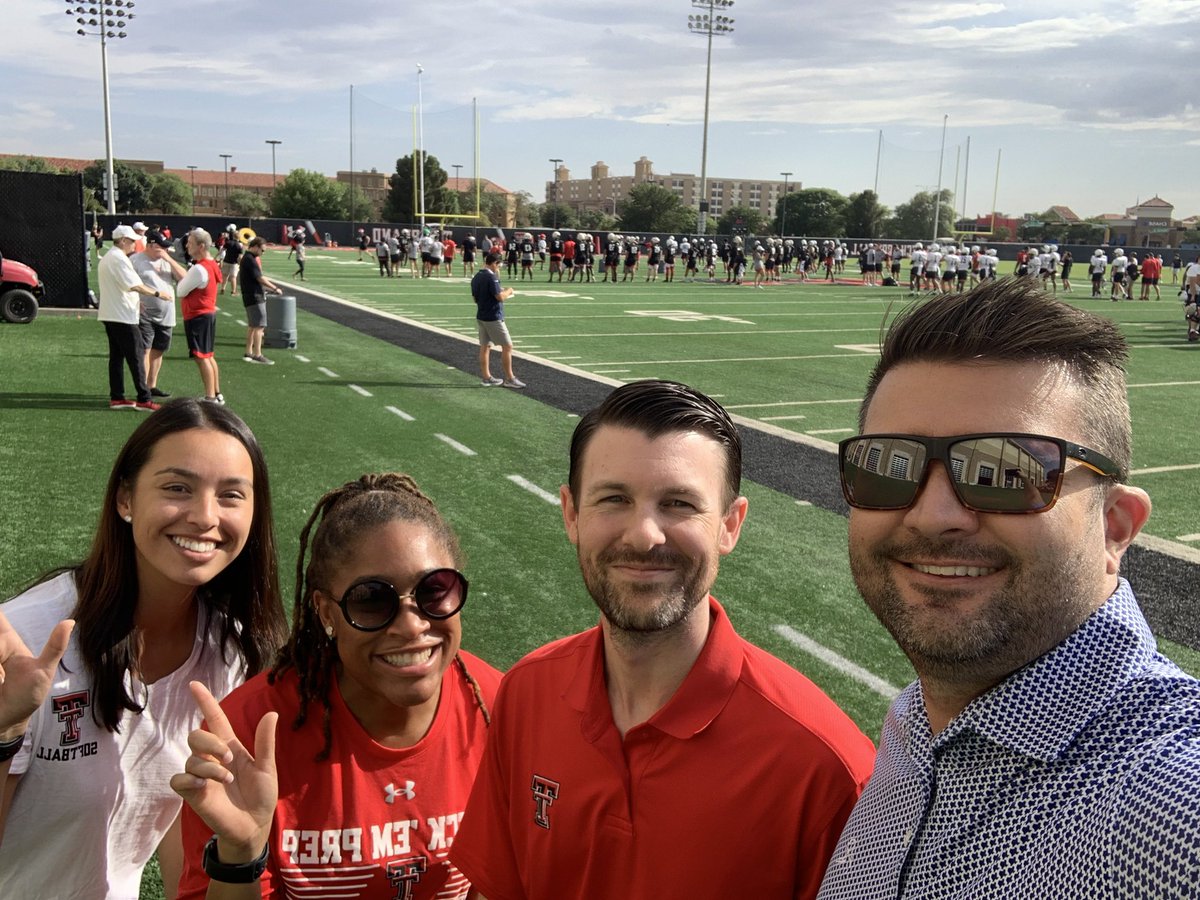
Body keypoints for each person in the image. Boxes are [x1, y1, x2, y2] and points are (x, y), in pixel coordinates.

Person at [820, 279, 1200, 899]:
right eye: (888, 463)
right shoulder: (915, 722)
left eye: (1007, 470)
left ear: (1115, 527)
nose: (931, 514)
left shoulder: (1167, 810)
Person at [451, 380, 875, 899]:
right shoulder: (526, 694)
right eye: (614, 499)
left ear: (729, 526)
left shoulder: (823, 765)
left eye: (677, 503)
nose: (644, 535)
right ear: (571, 515)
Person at [0, 399, 286, 899]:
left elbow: (182, 823)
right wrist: (4, 731)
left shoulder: (232, 652)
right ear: (125, 499)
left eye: (231, 495)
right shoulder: (27, 644)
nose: (204, 516)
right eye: (178, 488)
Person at [174, 473, 502, 899]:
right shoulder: (250, 735)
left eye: (434, 590)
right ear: (326, 612)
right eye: (371, 600)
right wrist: (240, 853)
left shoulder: (498, 706)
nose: (412, 626)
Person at [98, 223, 173, 411]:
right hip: (122, 315)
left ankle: (117, 396)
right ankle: (143, 398)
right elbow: (134, 285)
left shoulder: (111, 257)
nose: (135, 245)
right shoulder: (118, 259)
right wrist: (158, 294)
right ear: (123, 241)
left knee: (117, 357)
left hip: (111, 313)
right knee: (137, 356)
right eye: (132, 241)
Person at [132, 228, 188, 399]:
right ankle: (143, 390)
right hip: (145, 313)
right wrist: (136, 302)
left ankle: (152, 385)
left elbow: (184, 278)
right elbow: (128, 284)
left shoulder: (166, 260)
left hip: (166, 314)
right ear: (151, 245)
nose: (164, 249)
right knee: (145, 350)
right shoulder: (136, 260)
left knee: (158, 350)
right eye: (161, 247)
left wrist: (168, 259)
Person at [177, 228, 226, 404]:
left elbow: (180, 291)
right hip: (206, 314)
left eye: (190, 243)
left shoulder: (199, 268)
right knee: (208, 355)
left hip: (198, 315)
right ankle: (216, 393)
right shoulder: (210, 264)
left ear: (201, 246)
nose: (187, 246)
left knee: (201, 356)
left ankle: (210, 397)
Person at [471, 250, 524, 389]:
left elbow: (475, 299)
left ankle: (487, 377)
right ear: (494, 263)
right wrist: (509, 291)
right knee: (507, 346)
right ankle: (510, 378)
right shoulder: (491, 277)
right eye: (498, 265)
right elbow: (499, 297)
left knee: (485, 347)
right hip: (493, 317)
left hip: (481, 315)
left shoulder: (477, 276)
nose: (499, 268)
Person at [239, 237, 283, 366]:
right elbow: (260, 278)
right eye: (262, 250)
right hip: (255, 296)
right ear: (256, 246)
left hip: (249, 295)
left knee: (253, 326)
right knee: (259, 326)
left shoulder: (246, 258)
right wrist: (275, 288)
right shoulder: (250, 259)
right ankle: (257, 354)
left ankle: (248, 351)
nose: (262, 253)